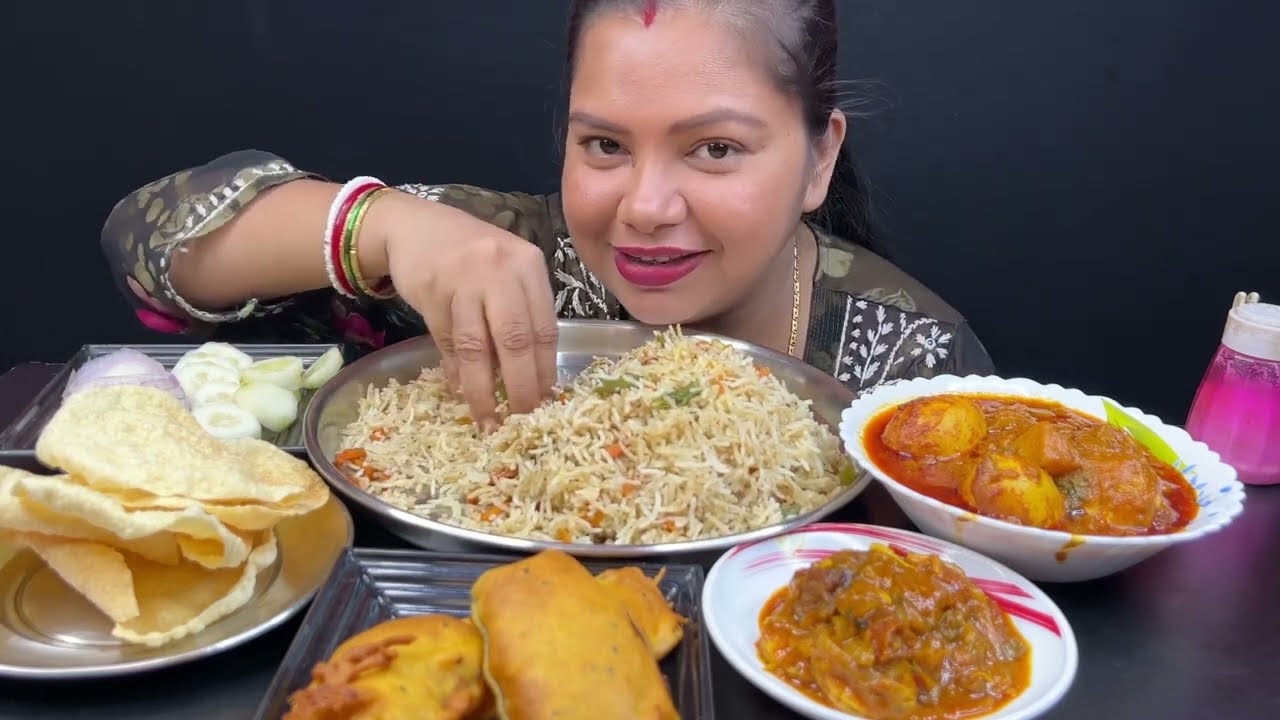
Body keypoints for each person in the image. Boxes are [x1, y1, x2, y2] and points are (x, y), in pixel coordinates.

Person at [100, 0, 993, 426]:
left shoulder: (911, 360)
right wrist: (389, 226)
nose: (645, 207)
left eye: (715, 149)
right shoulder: (510, 257)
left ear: (819, 157)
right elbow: (149, 242)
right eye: (603, 144)